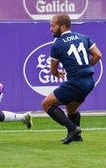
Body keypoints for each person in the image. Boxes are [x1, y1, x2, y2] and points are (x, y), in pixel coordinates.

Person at [41, 14, 102, 144]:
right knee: (71, 108)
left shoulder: (57, 45)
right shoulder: (83, 37)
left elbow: (53, 70)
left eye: (53, 26)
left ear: (62, 27)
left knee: (46, 104)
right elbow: (98, 54)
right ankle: (76, 136)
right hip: (89, 81)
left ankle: (73, 128)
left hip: (76, 82)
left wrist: (56, 73)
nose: (51, 29)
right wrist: (86, 66)